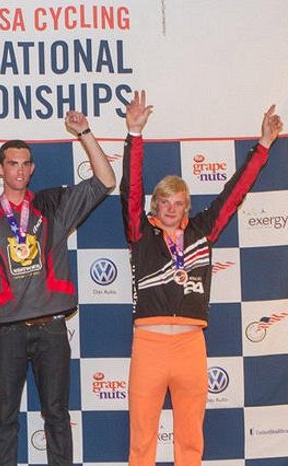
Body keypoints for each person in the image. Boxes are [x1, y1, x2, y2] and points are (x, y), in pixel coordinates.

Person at [120, 91, 283, 465]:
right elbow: (129, 188)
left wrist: (263, 145)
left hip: (192, 345)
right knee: (142, 436)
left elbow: (234, 192)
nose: (171, 209)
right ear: (155, 206)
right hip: (149, 344)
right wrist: (134, 134)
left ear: (187, 207)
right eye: (164, 202)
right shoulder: (139, 233)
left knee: (190, 438)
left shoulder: (203, 231)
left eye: (178, 203)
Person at [0, 113, 116, 465]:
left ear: (32, 169)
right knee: (4, 418)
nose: (19, 170)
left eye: (25, 164)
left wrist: (86, 133)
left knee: (57, 416)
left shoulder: (53, 205)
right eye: (11, 163)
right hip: (7, 332)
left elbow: (106, 180)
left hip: (51, 328)